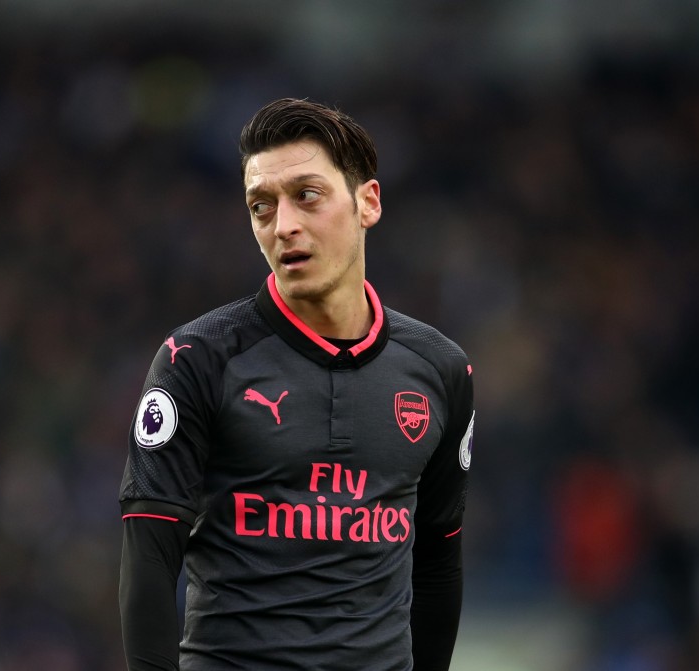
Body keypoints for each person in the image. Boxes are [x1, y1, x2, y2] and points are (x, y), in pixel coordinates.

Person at [118, 97, 475, 671]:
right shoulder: (196, 358)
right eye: (262, 206)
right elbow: (150, 562)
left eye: (307, 196)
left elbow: (437, 560)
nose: (283, 225)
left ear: (368, 203)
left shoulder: (441, 370)